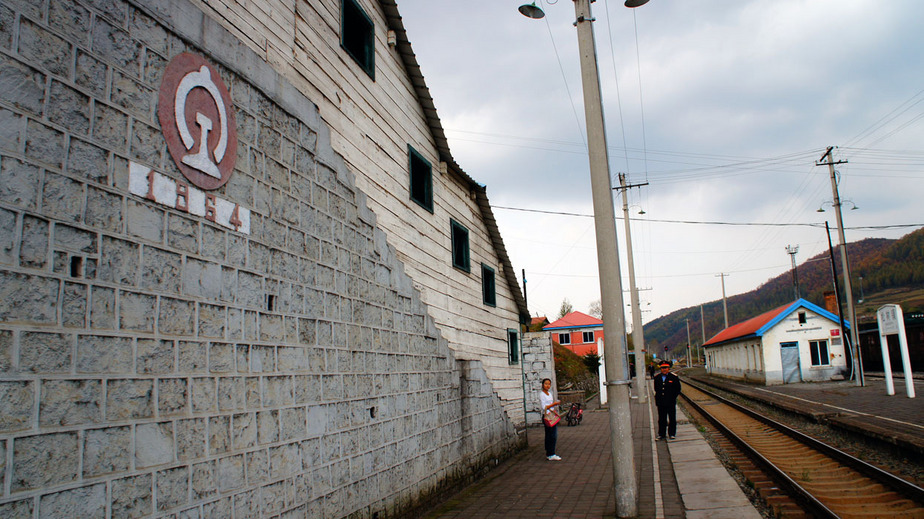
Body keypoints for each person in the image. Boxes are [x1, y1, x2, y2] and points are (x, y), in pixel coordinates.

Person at [653, 361, 681, 440]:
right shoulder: (657, 378)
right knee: (662, 419)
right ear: (660, 369)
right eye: (662, 368)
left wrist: (672, 397)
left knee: (672, 418)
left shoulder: (674, 377)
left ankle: (672, 433)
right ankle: (661, 434)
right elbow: (656, 389)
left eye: (666, 368)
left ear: (668, 368)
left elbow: (677, 389)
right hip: (661, 402)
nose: (664, 370)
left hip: (670, 402)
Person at [539, 378, 562, 460]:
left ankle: (549, 452)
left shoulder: (549, 393)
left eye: (549, 384)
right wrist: (554, 404)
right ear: (542, 385)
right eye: (546, 384)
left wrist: (554, 407)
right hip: (547, 416)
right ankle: (551, 453)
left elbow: (550, 406)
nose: (547, 385)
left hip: (551, 414)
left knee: (550, 434)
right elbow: (544, 407)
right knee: (552, 435)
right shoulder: (542, 394)